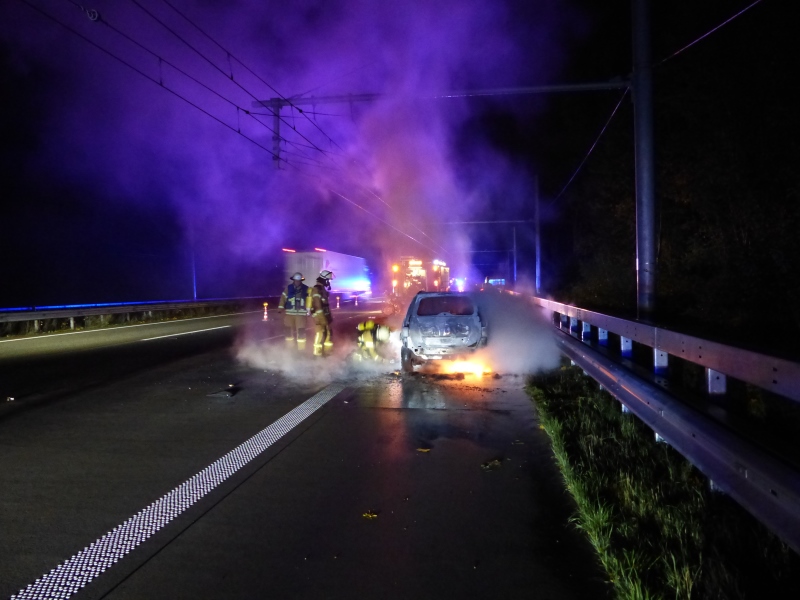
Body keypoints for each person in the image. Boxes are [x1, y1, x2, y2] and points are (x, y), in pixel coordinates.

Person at [277, 272, 310, 349]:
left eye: (299, 280)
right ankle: (290, 348)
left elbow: (309, 300)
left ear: (301, 280)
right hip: (289, 314)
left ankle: (301, 349)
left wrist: (310, 310)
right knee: (288, 331)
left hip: (301, 314)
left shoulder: (307, 289)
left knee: (301, 332)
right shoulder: (288, 288)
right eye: (296, 280)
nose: (297, 282)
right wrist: (280, 308)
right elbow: (283, 298)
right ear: (293, 280)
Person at [310, 270, 334, 356]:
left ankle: (326, 352)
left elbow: (325, 305)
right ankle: (317, 353)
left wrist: (329, 317)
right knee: (320, 333)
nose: (329, 282)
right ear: (325, 280)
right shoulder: (316, 289)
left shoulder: (322, 289)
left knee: (328, 333)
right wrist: (322, 319)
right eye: (328, 280)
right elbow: (318, 306)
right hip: (320, 316)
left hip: (325, 315)